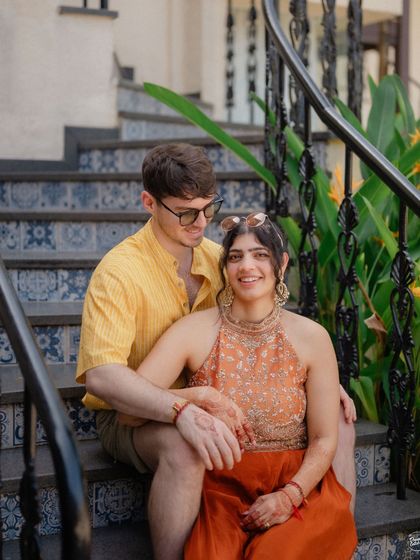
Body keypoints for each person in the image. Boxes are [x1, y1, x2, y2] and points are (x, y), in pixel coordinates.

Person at [76, 143, 356, 560]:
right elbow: (103, 379)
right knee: (185, 448)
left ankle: (335, 526)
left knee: (336, 415)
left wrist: (314, 374)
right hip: (131, 408)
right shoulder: (119, 272)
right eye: (187, 212)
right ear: (149, 203)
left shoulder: (215, 256)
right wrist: (186, 406)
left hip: (207, 394)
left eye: (209, 208)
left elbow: (260, 304)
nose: (201, 222)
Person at [132, 212, 358, 558]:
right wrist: (196, 397)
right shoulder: (194, 331)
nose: (246, 265)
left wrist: (289, 496)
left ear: (281, 264)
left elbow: (325, 438)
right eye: (235, 256)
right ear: (225, 267)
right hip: (223, 490)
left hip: (297, 487)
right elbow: (130, 405)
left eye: (260, 255)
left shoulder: (312, 337)